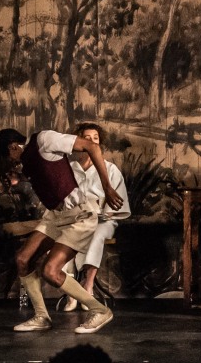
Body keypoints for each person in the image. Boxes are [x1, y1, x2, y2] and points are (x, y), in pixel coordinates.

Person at [11, 128, 124, 334]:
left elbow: (91, 146)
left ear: (13, 147)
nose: (12, 160)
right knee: (23, 259)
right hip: (55, 215)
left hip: (79, 215)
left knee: (50, 271)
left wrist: (107, 187)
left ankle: (100, 310)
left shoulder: (44, 139)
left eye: (9, 156)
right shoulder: (29, 159)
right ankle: (41, 317)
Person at [61, 122, 131, 311]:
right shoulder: (69, 168)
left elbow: (118, 202)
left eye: (95, 138)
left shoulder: (110, 169)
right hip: (75, 218)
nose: (91, 142)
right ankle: (71, 291)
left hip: (103, 218)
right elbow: (63, 198)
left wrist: (100, 213)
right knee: (64, 237)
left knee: (97, 233)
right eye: (87, 138)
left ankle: (87, 286)